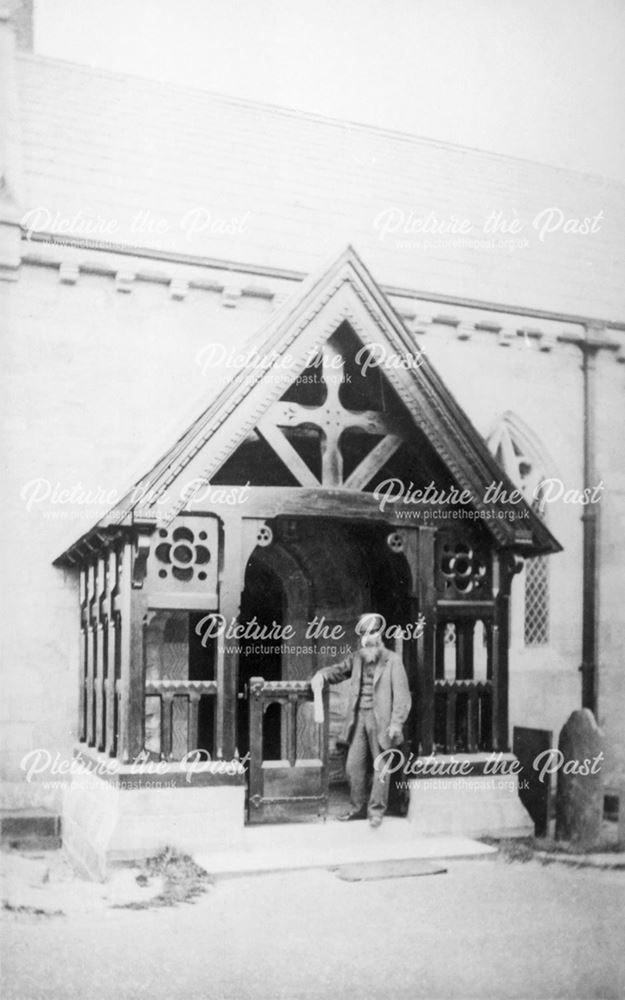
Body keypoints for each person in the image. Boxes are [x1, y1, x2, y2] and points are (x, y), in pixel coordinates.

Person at [310, 613, 411, 828]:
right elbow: (338, 671)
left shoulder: (393, 660)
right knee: (352, 767)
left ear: (380, 634)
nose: (369, 637)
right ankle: (358, 809)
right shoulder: (357, 658)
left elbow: (402, 697)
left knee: (381, 767)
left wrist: (396, 723)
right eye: (364, 633)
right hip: (359, 719)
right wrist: (321, 675)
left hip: (382, 721)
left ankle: (376, 811)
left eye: (373, 632)